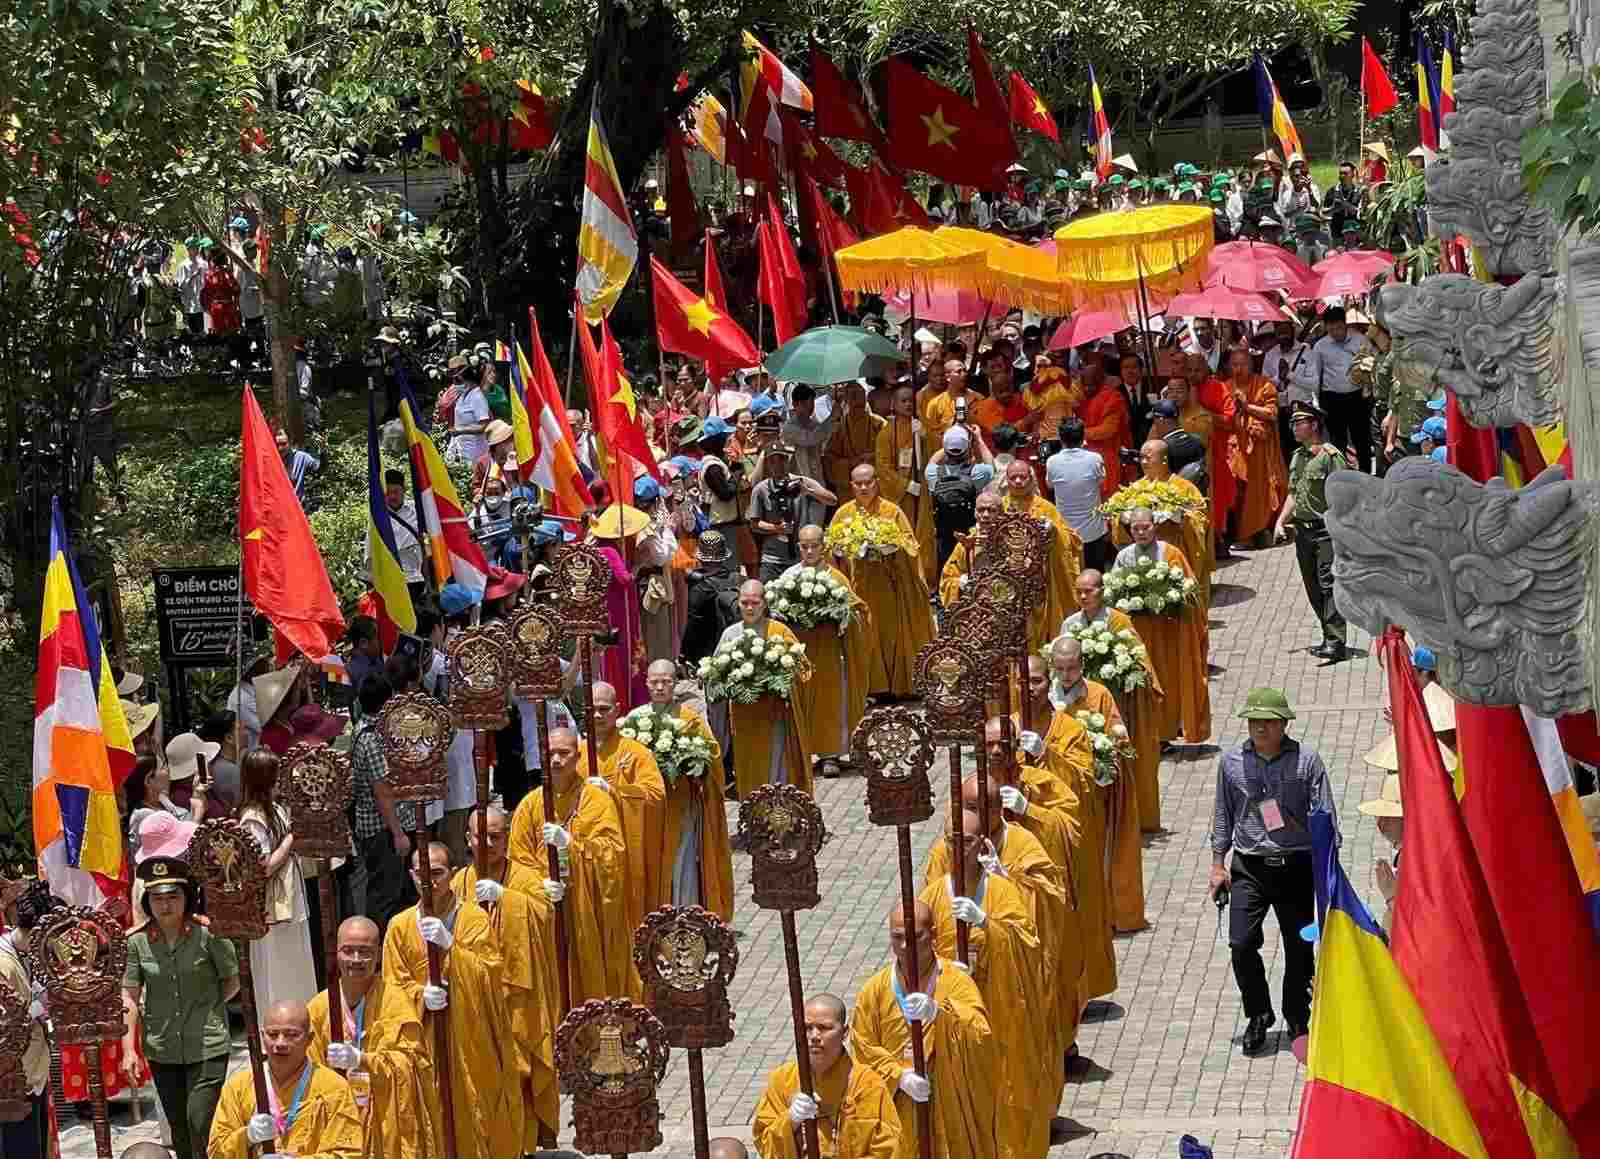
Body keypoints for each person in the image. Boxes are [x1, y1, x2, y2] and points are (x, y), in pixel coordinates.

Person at [921, 804, 1054, 1159]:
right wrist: (945, 975)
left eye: (965, 841)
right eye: (951, 840)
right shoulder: (934, 895)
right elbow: (918, 951)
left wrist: (986, 924)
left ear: (981, 843)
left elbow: (1028, 944)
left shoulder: (1001, 891)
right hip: (957, 1018)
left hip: (1000, 1009)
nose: (957, 848)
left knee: (1003, 1094)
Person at [1209, 687, 1332, 1054]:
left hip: (1296, 866)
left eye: (1267, 722)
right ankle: (1258, 1013)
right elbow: (1222, 815)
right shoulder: (1231, 764)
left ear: (1283, 725)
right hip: (1249, 866)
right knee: (1241, 943)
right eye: (1253, 721)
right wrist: (1218, 865)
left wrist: (1328, 872)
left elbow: (1326, 817)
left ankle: (1298, 1016)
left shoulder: (1306, 763)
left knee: (1300, 946)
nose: (1259, 728)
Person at [383, 844, 525, 1159]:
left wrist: (452, 949)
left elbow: (490, 975)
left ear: (452, 874)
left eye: (437, 873)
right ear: (411, 875)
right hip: (426, 1042)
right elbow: (392, 990)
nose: (429, 881)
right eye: (421, 873)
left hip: (470, 1037)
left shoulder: (473, 917)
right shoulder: (399, 927)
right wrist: (420, 996)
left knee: (475, 1111)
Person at [850, 901, 1000, 1159]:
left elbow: (981, 1036)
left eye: (915, 937)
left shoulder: (955, 982)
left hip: (949, 1103)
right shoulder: (874, 991)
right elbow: (863, 1049)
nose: (906, 946)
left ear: (933, 934)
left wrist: (940, 1014)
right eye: (897, 938)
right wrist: (898, 1076)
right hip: (897, 1111)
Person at [449, 809, 562, 1148]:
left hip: (518, 994)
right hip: (475, 995)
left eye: (496, 836)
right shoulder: (459, 884)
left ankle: (523, 1143)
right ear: (467, 839)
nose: (487, 843)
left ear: (507, 837)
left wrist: (506, 898)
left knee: (519, 1070)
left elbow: (545, 915)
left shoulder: (525, 878)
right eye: (480, 836)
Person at [121, 859, 240, 1159]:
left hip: (208, 1045)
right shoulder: (136, 942)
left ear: (187, 897)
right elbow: (130, 997)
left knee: (200, 1120)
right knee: (179, 1129)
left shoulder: (209, 934)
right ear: (147, 901)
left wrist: (206, 1009)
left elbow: (232, 982)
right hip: (162, 1048)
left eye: (173, 896)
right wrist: (128, 1050)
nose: (165, 905)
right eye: (157, 898)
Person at [507, 726, 632, 1002]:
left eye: (564, 754)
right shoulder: (529, 806)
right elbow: (516, 863)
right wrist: (540, 886)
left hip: (586, 909)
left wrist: (571, 846)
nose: (556, 760)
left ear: (577, 758)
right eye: (550, 754)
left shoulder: (596, 800)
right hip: (545, 911)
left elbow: (613, 855)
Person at [308, 916, 442, 1159]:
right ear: (336, 953)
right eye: (348, 951)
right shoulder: (318, 1008)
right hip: (338, 1124)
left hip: (385, 1120)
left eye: (365, 952)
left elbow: (413, 1065)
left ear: (379, 954)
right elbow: (306, 1074)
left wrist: (362, 1059)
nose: (356, 960)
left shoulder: (395, 1001)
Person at [1044, 640, 1146, 935]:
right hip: (1052, 789)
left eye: (1071, 668)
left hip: (1090, 791)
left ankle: (1097, 913)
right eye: (1059, 669)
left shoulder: (1099, 695)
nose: (1065, 675)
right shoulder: (1044, 695)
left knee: (1092, 853)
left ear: (1082, 665)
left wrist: (1103, 756)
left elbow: (1118, 736)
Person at [1062, 571, 1164, 832]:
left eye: (1089, 590)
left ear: (1102, 591)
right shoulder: (1070, 624)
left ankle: (1124, 813)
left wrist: (1120, 668)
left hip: (1114, 702)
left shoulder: (1119, 622)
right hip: (1078, 701)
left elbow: (1139, 661)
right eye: (1079, 591)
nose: (1083, 596)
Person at [207, 1000, 362, 1159]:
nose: (280, 1043)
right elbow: (215, 1152)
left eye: (291, 1035)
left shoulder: (334, 1088)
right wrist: (246, 1137)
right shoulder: (238, 1086)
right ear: (262, 1036)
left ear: (309, 1039)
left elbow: (348, 1153)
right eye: (273, 1035)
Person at [754, 992, 900, 1159]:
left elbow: (888, 1150)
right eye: (808, 1028)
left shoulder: (867, 1084)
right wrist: (790, 1121)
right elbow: (765, 1145)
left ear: (845, 1032)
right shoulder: (782, 1080)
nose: (815, 1036)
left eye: (824, 1028)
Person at [832, 465, 934, 699]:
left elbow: (910, 544)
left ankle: (897, 686)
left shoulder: (892, 511)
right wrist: (843, 550)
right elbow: (832, 550)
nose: (864, 487)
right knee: (865, 635)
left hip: (890, 584)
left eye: (868, 482)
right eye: (859, 483)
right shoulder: (844, 514)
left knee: (890, 634)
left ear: (877, 482)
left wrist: (888, 546)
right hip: (858, 586)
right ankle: (871, 688)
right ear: (852, 486)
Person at [643, 660, 735, 918]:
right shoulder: (636, 720)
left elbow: (712, 758)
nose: (660, 687)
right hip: (651, 809)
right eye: (655, 682)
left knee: (682, 861)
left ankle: (685, 914)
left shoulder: (691, 721)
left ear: (676, 684)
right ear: (646, 683)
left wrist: (692, 766)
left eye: (666, 682)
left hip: (683, 805)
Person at [585, 680, 669, 957]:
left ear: (617, 710)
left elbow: (655, 795)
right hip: (588, 855)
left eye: (604, 709)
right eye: (592, 709)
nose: (597, 715)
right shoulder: (576, 753)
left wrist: (615, 792)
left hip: (626, 853)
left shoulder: (635, 753)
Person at [1115, 508, 1211, 744]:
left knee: (1168, 681)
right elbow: (1115, 593)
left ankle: (1169, 731)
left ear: (1154, 526)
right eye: (1135, 528)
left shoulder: (1171, 553)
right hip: (1140, 632)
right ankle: (1150, 734)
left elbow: (1190, 591)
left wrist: (1170, 600)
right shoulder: (1125, 557)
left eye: (1145, 527)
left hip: (1168, 631)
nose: (1140, 533)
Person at [778, 526, 871, 768]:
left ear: (824, 547)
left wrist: (840, 617)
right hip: (801, 652)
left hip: (829, 652)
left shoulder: (836, 578)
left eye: (814, 546)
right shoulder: (788, 577)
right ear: (798, 547)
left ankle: (830, 754)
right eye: (804, 546)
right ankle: (804, 753)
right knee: (802, 702)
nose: (809, 551)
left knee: (829, 703)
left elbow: (857, 610)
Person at [237, 749, 317, 1013]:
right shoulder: (253, 819)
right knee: (278, 970)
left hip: (290, 897)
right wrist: (292, 837)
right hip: (272, 904)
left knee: (297, 964)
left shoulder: (276, 808)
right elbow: (263, 867)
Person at [719, 580, 815, 798]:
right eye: (745, 603)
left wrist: (779, 678)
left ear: (765, 604)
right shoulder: (730, 635)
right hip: (745, 719)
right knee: (750, 764)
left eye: (755, 602)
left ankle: (783, 811)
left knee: (778, 763)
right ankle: (755, 813)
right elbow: (717, 675)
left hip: (775, 715)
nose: (750, 608)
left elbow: (803, 667)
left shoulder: (779, 631)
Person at [1274, 401, 1349, 662]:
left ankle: (1336, 642)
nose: (1294, 427)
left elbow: (1344, 493)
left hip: (1326, 531)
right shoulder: (1298, 457)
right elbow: (1294, 493)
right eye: (1292, 423)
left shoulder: (1330, 456)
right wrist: (1280, 521)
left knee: (1328, 585)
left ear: (1314, 424)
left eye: (1299, 422)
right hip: (1303, 532)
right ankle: (1327, 634)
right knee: (1312, 586)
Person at [1001, 460, 1083, 646]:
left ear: (1031, 479)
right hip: (1009, 581)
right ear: (1006, 480)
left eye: (1023, 476)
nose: (1019, 481)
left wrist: (1053, 530)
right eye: (1014, 477)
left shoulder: (1046, 508)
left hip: (1041, 581)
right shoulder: (1000, 507)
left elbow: (1072, 541)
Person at [0, 882, 49, 1159]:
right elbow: (5, 1025)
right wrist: (38, 1008)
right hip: (12, 1081)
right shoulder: (3, 961)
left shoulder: (29, 954)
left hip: (35, 1073)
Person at [874, 385, 936, 584]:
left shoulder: (920, 426)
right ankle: (901, 576)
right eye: (903, 400)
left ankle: (925, 578)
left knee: (923, 533)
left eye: (911, 400)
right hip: (900, 494)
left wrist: (924, 437)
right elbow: (882, 467)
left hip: (922, 491)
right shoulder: (886, 433)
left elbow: (934, 453)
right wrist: (905, 485)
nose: (908, 404)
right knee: (901, 531)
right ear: (894, 404)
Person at [748, 443, 836, 582]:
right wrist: (777, 529)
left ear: (787, 460)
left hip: (801, 559)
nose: (778, 465)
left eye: (781, 459)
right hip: (772, 559)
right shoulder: (761, 489)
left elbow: (832, 500)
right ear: (768, 463)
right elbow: (754, 524)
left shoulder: (801, 481)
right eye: (773, 461)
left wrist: (809, 491)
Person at [1227, 346, 1287, 547]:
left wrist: (1247, 407)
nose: (1239, 369)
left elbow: (1272, 413)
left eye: (1243, 364)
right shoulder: (1226, 387)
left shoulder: (1264, 385)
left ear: (1251, 365)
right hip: (1236, 449)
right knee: (1238, 491)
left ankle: (1263, 529)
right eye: (1235, 364)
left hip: (1260, 450)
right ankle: (1242, 534)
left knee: (1261, 490)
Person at [924, 425, 995, 572]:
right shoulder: (977, 473)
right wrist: (977, 439)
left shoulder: (932, 473)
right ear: (967, 448)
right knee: (969, 567)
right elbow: (991, 466)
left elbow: (932, 461)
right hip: (969, 532)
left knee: (947, 569)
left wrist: (950, 440)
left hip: (943, 534)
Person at [1311, 305, 1374, 472]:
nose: (1336, 333)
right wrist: (1317, 401)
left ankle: (1366, 473)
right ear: (1326, 327)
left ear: (1345, 324)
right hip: (1332, 399)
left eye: (1339, 328)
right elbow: (1316, 374)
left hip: (1357, 398)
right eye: (1331, 329)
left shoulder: (1360, 340)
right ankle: (1340, 474)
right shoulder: (1320, 346)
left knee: (1361, 438)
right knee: (1337, 441)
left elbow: (1371, 365)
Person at [1045, 418, 1110, 572]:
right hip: (1094, 531)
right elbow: (1102, 481)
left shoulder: (1052, 461)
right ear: (1083, 437)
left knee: (1072, 579)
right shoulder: (1095, 459)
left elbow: (1049, 485)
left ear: (1060, 438)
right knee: (1095, 575)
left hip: (1067, 532)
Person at [1076, 353, 1132, 497]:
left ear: (1101, 380)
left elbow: (1108, 430)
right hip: (1084, 458)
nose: (1088, 389)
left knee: (1109, 501)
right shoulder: (1080, 398)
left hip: (1108, 456)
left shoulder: (1113, 397)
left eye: (1092, 384)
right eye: (1085, 384)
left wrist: (1078, 433)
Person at [824, 383, 886, 502]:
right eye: (853, 395)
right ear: (846, 399)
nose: (858, 400)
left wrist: (873, 456)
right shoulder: (840, 429)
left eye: (861, 395)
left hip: (875, 483)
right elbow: (829, 459)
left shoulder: (878, 424)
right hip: (850, 487)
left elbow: (891, 452)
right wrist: (851, 463)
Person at [447, 362, 492, 465]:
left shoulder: (477, 397)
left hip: (474, 452)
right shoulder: (461, 396)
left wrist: (460, 430)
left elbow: (484, 426)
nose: (455, 384)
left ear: (469, 381)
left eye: (458, 381)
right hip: (459, 447)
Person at [275, 430, 321, 504]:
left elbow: (319, 468)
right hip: (278, 506)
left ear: (290, 442)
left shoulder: (301, 457)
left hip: (297, 506)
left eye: (283, 444)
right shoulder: (271, 459)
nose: (280, 448)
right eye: (277, 445)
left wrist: (322, 450)